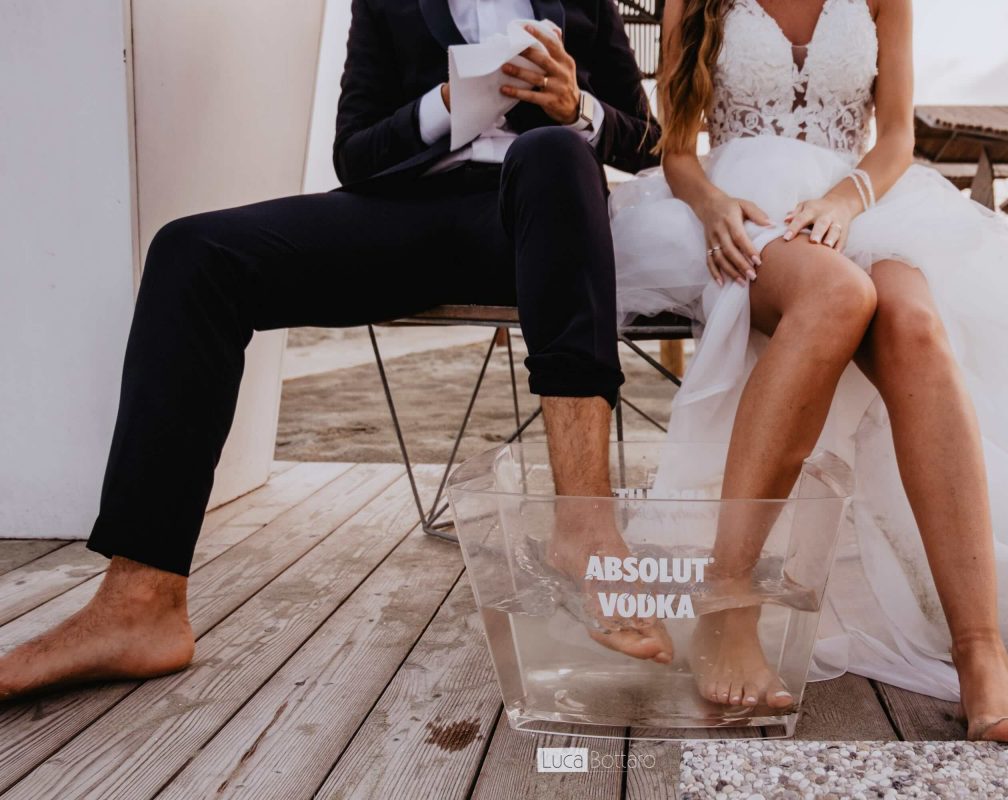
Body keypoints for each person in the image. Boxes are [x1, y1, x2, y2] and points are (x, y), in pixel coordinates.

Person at [0, 0, 676, 702]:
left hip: (535, 224)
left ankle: (587, 530)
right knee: (191, 252)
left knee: (553, 150)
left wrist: (577, 108)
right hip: (407, 216)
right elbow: (354, 154)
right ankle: (140, 601)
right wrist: (445, 105)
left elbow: (651, 143)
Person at [610, 0, 1008, 742]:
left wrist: (843, 201)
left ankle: (980, 652)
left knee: (915, 327)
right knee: (837, 295)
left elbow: (895, 137)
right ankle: (727, 606)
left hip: (858, 199)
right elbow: (676, 149)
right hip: (739, 204)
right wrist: (713, 206)